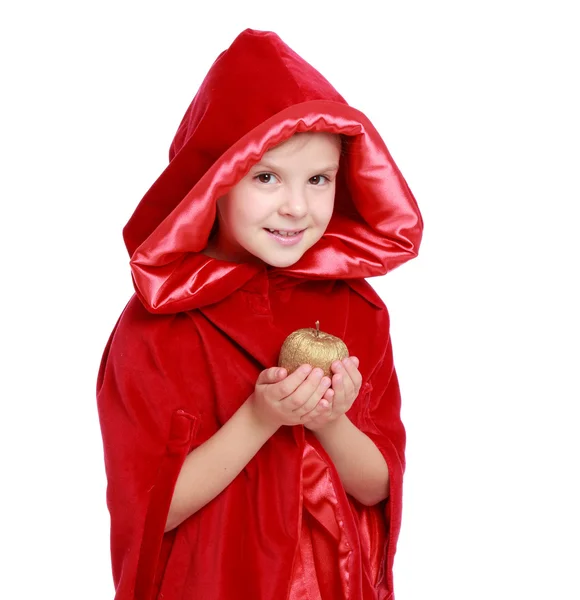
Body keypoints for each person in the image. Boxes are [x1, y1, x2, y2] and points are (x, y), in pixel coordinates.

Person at [96, 28, 423, 600]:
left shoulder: (356, 309)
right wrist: (261, 417)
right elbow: (151, 511)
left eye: (319, 179)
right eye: (265, 176)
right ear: (213, 183)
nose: (297, 206)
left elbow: (376, 488)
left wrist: (327, 419)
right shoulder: (159, 326)